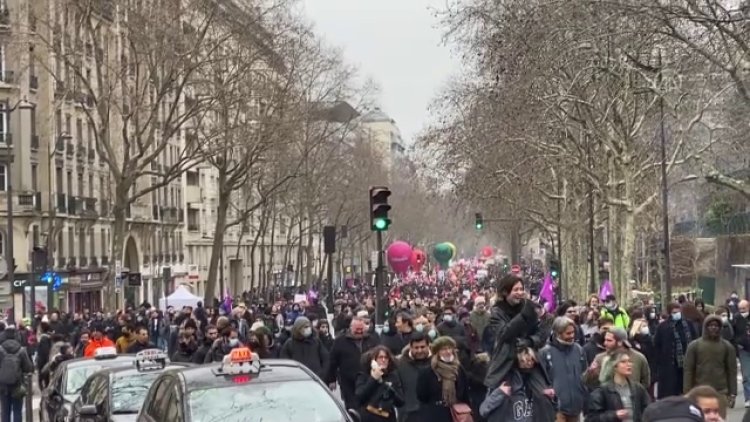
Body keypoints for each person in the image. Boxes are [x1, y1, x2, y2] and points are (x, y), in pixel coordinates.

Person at [485, 274, 541, 389]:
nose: (520, 293)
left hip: (530, 363)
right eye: (516, 290)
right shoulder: (497, 312)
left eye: (521, 289)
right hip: (507, 366)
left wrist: (529, 341)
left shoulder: (528, 309)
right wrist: (523, 316)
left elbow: (540, 333)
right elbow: (504, 334)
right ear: (505, 292)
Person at [480, 347, 556, 422]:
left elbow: (553, 409)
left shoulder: (537, 382)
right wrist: (499, 393)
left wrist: (549, 397)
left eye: (532, 360)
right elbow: (484, 410)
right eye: (525, 360)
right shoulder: (504, 382)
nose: (529, 363)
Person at [683, 315, 737, 409]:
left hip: (721, 391)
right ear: (705, 327)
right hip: (700, 390)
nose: (713, 328)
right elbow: (688, 370)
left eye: (716, 326)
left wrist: (733, 393)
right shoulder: (695, 345)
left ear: (720, 328)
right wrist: (687, 392)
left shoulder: (727, 346)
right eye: (710, 325)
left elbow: (731, 371)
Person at [585, 350, 650, 422]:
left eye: (629, 361)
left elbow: (648, 411)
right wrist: (614, 415)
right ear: (614, 367)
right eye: (623, 362)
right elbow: (591, 419)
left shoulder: (638, 389)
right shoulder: (602, 391)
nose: (629, 364)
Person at [417, 336, 470, 422]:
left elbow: (465, 394)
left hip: (457, 414)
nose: (448, 352)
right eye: (444, 349)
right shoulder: (427, 372)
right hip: (435, 415)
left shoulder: (459, 369)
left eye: (450, 348)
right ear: (437, 352)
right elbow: (422, 396)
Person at [354, 345, 404, 422]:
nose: (383, 360)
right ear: (373, 360)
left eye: (386, 358)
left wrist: (385, 385)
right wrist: (373, 379)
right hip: (369, 417)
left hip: (388, 417)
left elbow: (400, 402)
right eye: (380, 357)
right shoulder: (363, 376)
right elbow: (359, 397)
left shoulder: (393, 377)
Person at [0, 325, 34, 422]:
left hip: (3, 385)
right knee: (17, 411)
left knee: (5, 411)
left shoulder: (0, 349)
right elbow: (28, 367)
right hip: (18, 384)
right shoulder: (21, 350)